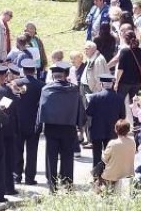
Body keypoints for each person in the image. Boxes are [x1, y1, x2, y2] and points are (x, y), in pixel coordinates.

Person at [37, 62, 84, 191]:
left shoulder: (46, 89)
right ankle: (67, 183)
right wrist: (80, 126)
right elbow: (80, 108)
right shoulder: (74, 89)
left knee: (51, 156)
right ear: (66, 75)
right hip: (68, 127)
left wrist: (39, 125)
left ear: (53, 76)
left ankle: (52, 185)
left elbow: (41, 109)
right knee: (68, 157)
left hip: (51, 128)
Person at [85, 74, 126, 168]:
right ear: (112, 84)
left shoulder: (94, 97)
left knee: (96, 156)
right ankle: (109, 178)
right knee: (111, 156)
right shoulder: (119, 98)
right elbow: (123, 116)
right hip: (112, 131)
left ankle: (97, 177)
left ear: (101, 84)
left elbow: (88, 112)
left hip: (97, 130)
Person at [100, 119, 136, 190]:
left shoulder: (113, 143)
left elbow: (104, 158)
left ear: (116, 130)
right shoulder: (132, 142)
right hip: (128, 173)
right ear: (128, 130)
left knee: (99, 174)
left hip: (113, 174)